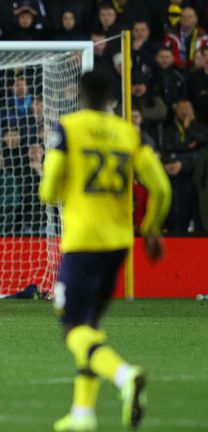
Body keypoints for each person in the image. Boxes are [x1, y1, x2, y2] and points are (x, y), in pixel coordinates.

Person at [39, 71, 172, 431]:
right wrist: (151, 228)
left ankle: (126, 375)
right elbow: (160, 186)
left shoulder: (69, 127)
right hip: (118, 243)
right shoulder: (130, 133)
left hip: (83, 242)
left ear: (79, 94)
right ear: (112, 96)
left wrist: (59, 183)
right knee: (91, 326)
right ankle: (83, 413)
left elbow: (49, 191)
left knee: (72, 329)